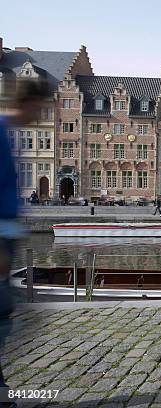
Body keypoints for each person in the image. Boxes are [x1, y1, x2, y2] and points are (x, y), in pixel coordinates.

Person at [1, 79, 48, 408]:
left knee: (4, 314)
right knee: (3, 314)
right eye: (40, 108)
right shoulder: (2, 132)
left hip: (8, 235)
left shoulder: (9, 133)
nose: (40, 114)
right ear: (27, 103)